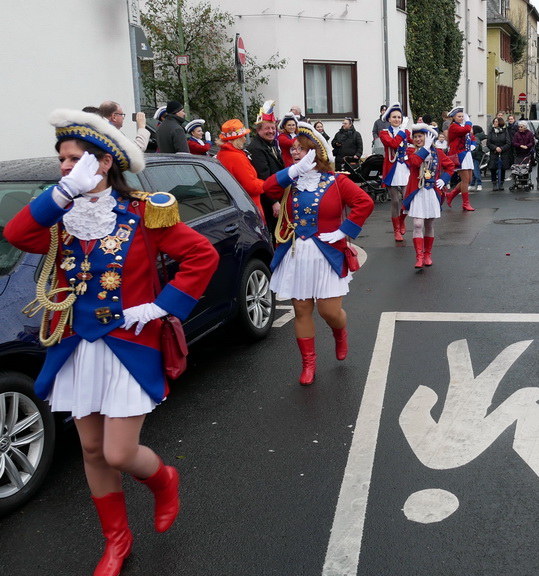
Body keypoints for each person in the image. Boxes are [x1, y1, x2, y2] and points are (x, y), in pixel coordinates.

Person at [4, 109, 218, 576]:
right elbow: (15, 233)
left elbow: (201, 255)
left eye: (74, 159)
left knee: (119, 453)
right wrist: (64, 191)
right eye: (62, 159)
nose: (65, 166)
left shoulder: (143, 211)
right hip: (77, 346)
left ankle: (163, 479)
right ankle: (117, 541)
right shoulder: (60, 213)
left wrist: (161, 307)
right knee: (92, 451)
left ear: (103, 163)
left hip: (129, 344)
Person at [262, 122, 374, 385]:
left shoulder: (337, 181)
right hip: (296, 253)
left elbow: (364, 202)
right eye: (293, 149)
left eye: (301, 148)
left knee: (329, 311)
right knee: (301, 310)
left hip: (328, 254)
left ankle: (339, 332)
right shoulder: (290, 181)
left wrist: (344, 230)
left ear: (316, 152)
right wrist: (293, 170)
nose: (295, 152)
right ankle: (308, 364)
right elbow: (267, 189)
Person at [404, 123, 456, 268]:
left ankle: (427, 254)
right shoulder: (411, 151)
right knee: (417, 224)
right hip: (417, 191)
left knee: (429, 224)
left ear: (428, 137)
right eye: (415, 137)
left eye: (420, 136)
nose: (417, 139)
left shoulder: (438, 152)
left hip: (432, 192)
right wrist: (425, 148)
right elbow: (415, 163)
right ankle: (419, 256)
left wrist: (443, 179)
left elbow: (450, 167)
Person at [216, 119, 267, 225]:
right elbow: (251, 187)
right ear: (237, 139)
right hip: (249, 208)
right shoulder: (236, 157)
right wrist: (266, 184)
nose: (244, 139)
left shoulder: (222, 154)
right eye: (243, 136)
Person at [247, 103, 285, 233]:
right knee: (275, 233)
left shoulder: (271, 143)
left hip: (277, 194)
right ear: (258, 130)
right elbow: (263, 177)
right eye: (267, 128)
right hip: (268, 200)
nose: (271, 131)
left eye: (273, 128)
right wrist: (273, 202)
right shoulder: (256, 148)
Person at [379, 103, 411, 242]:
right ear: (389, 119)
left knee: (407, 199)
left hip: (405, 168)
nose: (397, 119)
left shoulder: (405, 132)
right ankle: (396, 229)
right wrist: (402, 131)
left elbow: (416, 141)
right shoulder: (384, 133)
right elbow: (393, 144)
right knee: (395, 201)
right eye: (394, 117)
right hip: (392, 169)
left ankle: (401, 220)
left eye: (399, 117)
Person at [444, 107, 477, 211]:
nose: (462, 118)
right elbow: (466, 130)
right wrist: (469, 122)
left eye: (462, 116)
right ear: (454, 118)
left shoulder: (463, 126)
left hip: (467, 154)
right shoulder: (453, 127)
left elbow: (471, 136)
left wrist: (473, 144)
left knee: (469, 180)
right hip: (459, 155)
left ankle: (451, 195)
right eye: (459, 116)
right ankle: (465, 203)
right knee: (465, 180)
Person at [487, 116, 513, 191]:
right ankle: (494, 183)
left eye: (496, 122)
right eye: (494, 122)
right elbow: (488, 142)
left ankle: (501, 183)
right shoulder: (491, 131)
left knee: (502, 168)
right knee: (493, 168)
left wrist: (502, 148)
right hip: (494, 152)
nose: (494, 123)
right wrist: (495, 148)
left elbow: (508, 143)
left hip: (503, 153)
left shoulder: (505, 131)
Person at [470, 124, 486, 191]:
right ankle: (473, 184)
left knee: (475, 171)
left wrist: (470, 154)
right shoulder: (477, 138)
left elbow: (475, 149)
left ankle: (479, 184)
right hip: (477, 156)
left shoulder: (475, 138)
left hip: (475, 156)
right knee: (474, 171)